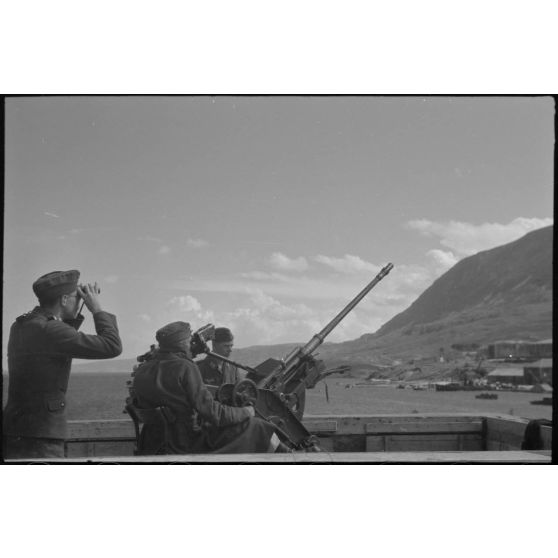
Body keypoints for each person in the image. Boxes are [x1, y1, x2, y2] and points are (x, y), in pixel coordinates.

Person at [3, 270, 122, 460]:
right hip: (42, 435)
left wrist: (78, 307)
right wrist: (96, 309)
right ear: (64, 299)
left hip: (17, 428)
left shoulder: (22, 325)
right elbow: (112, 346)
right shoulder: (51, 330)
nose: (80, 299)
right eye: (77, 297)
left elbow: (57, 341)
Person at [130, 321, 288, 454]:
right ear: (182, 343)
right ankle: (290, 459)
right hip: (185, 443)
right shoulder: (185, 367)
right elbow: (214, 414)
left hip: (153, 442)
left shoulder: (142, 369)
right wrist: (245, 412)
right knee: (257, 425)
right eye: (189, 340)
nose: (192, 344)